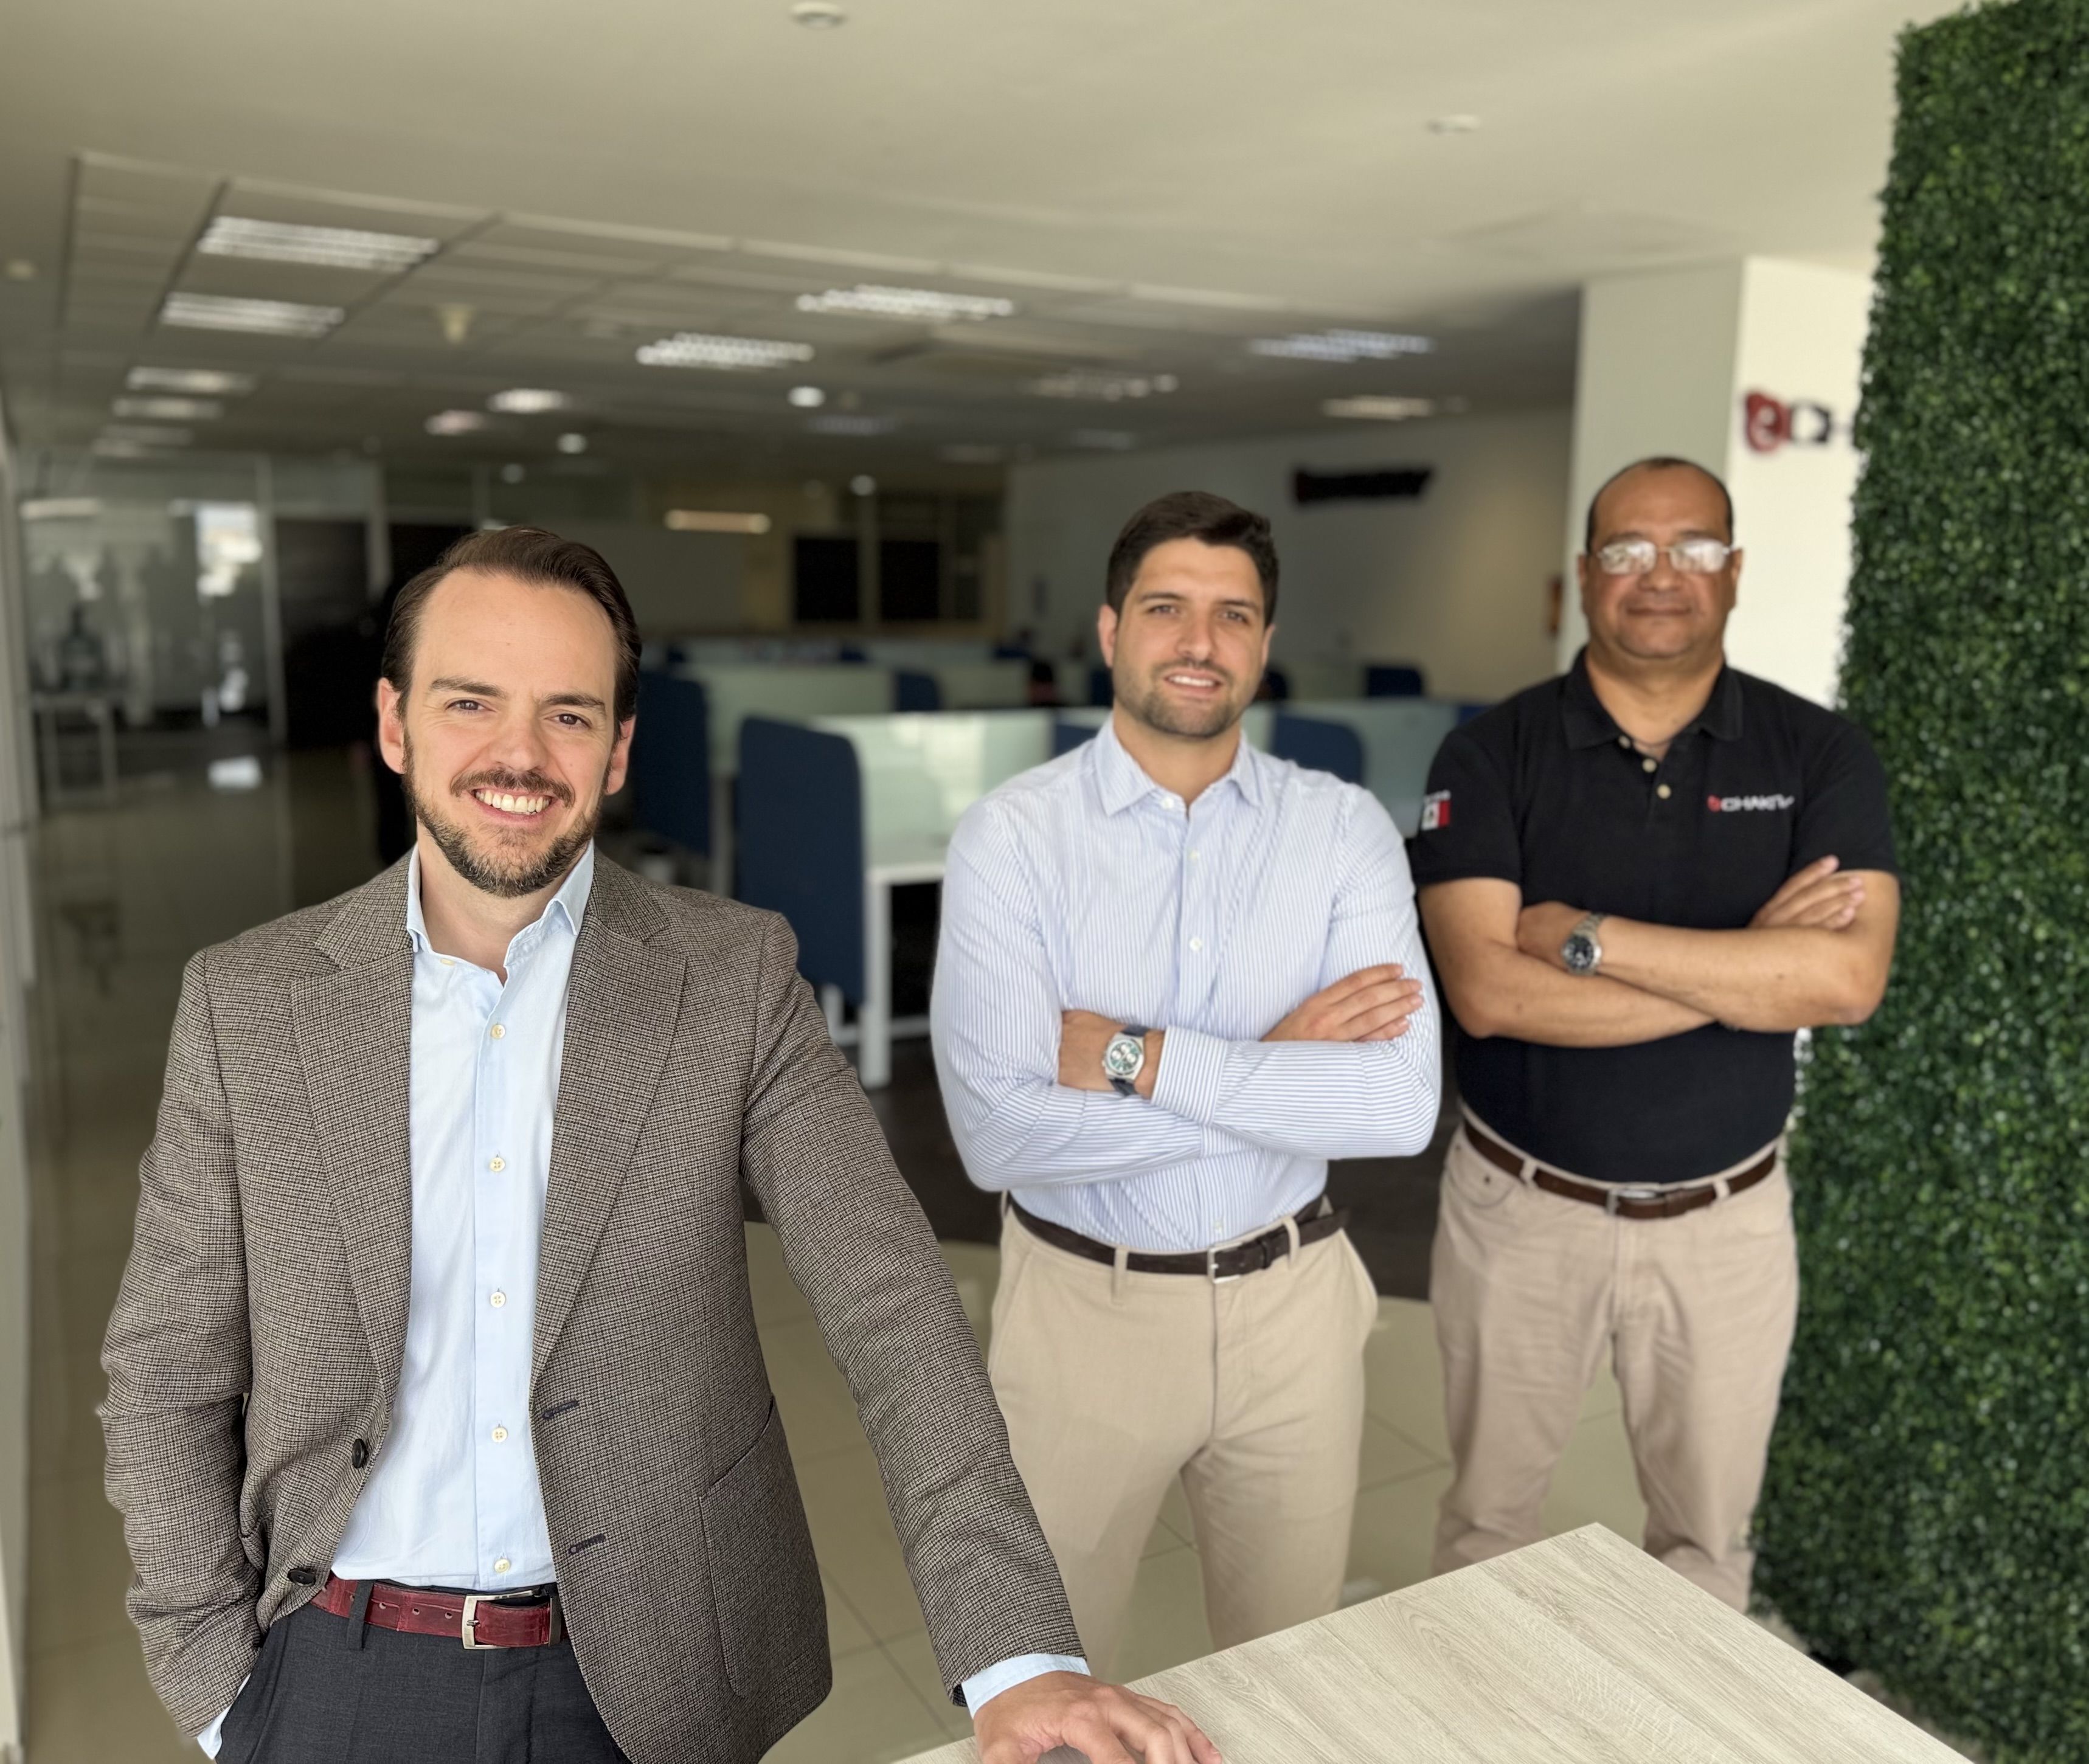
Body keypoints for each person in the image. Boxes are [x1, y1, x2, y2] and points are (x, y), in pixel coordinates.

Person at [100, 527, 1217, 1764]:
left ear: (621, 748)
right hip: (337, 1665)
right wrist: (218, 1685)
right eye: (470, 701)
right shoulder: (248, 1002)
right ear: (394, 723)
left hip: (654, 1671)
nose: (520, 755)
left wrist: (1018, 1657)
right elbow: (165, 1369)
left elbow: (894, 1304)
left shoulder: (734, 976)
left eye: (569, 714)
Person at [931, 491, 1441, 1674]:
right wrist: (1278, 1062)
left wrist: (1134, 1056)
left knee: (1286, 1674)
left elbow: (1397, 1106)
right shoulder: (1013, 839)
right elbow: (998, 1137)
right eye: (1166, 608)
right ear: (1111, 630)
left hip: (1295, 1309)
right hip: (1082, 1314)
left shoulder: (1344, 830)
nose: (1199, 641)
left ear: (1265, 642)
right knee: (1048, 1685)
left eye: (1233, 615)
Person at [1411, 456, 1901, 1610]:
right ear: (1588, 574)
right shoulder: (1489, 754)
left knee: (1707, 1549)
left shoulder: (1819, 753)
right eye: (1630, 550)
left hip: (1727, 1225)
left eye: (1694, 548)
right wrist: (1749, 965)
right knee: (1487, 1534)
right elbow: (1490, 995)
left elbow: (1845, 981)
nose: (1661, 574)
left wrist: (1586, 937)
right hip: (1521, 1211)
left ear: (1735, 571)